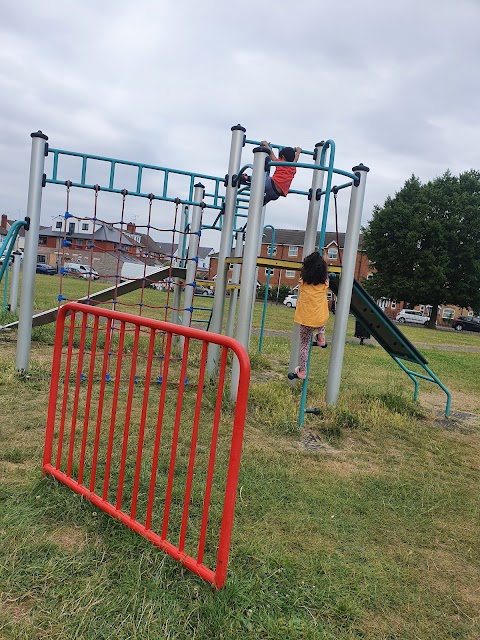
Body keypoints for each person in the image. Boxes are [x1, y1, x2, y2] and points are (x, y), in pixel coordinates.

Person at [289, 251, 330, 380]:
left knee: (304, 345)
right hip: (320, 317)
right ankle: (321, 338)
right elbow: (324, 270)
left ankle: (302, 371)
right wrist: (324, 258)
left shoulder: (302, 282)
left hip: (306, 319)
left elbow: (307, 269)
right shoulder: (325, 283)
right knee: (322, 314)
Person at [241, 141, 301, 205]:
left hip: (271, 185)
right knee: (266, 195)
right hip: (276, 194)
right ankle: (264, 200)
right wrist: (298, 152)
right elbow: (296, 159)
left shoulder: (280, 162)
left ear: (282, 157)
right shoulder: (293, 167)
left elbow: (271, 154)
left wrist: (266, 145)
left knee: (261, 178)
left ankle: (247, 178)